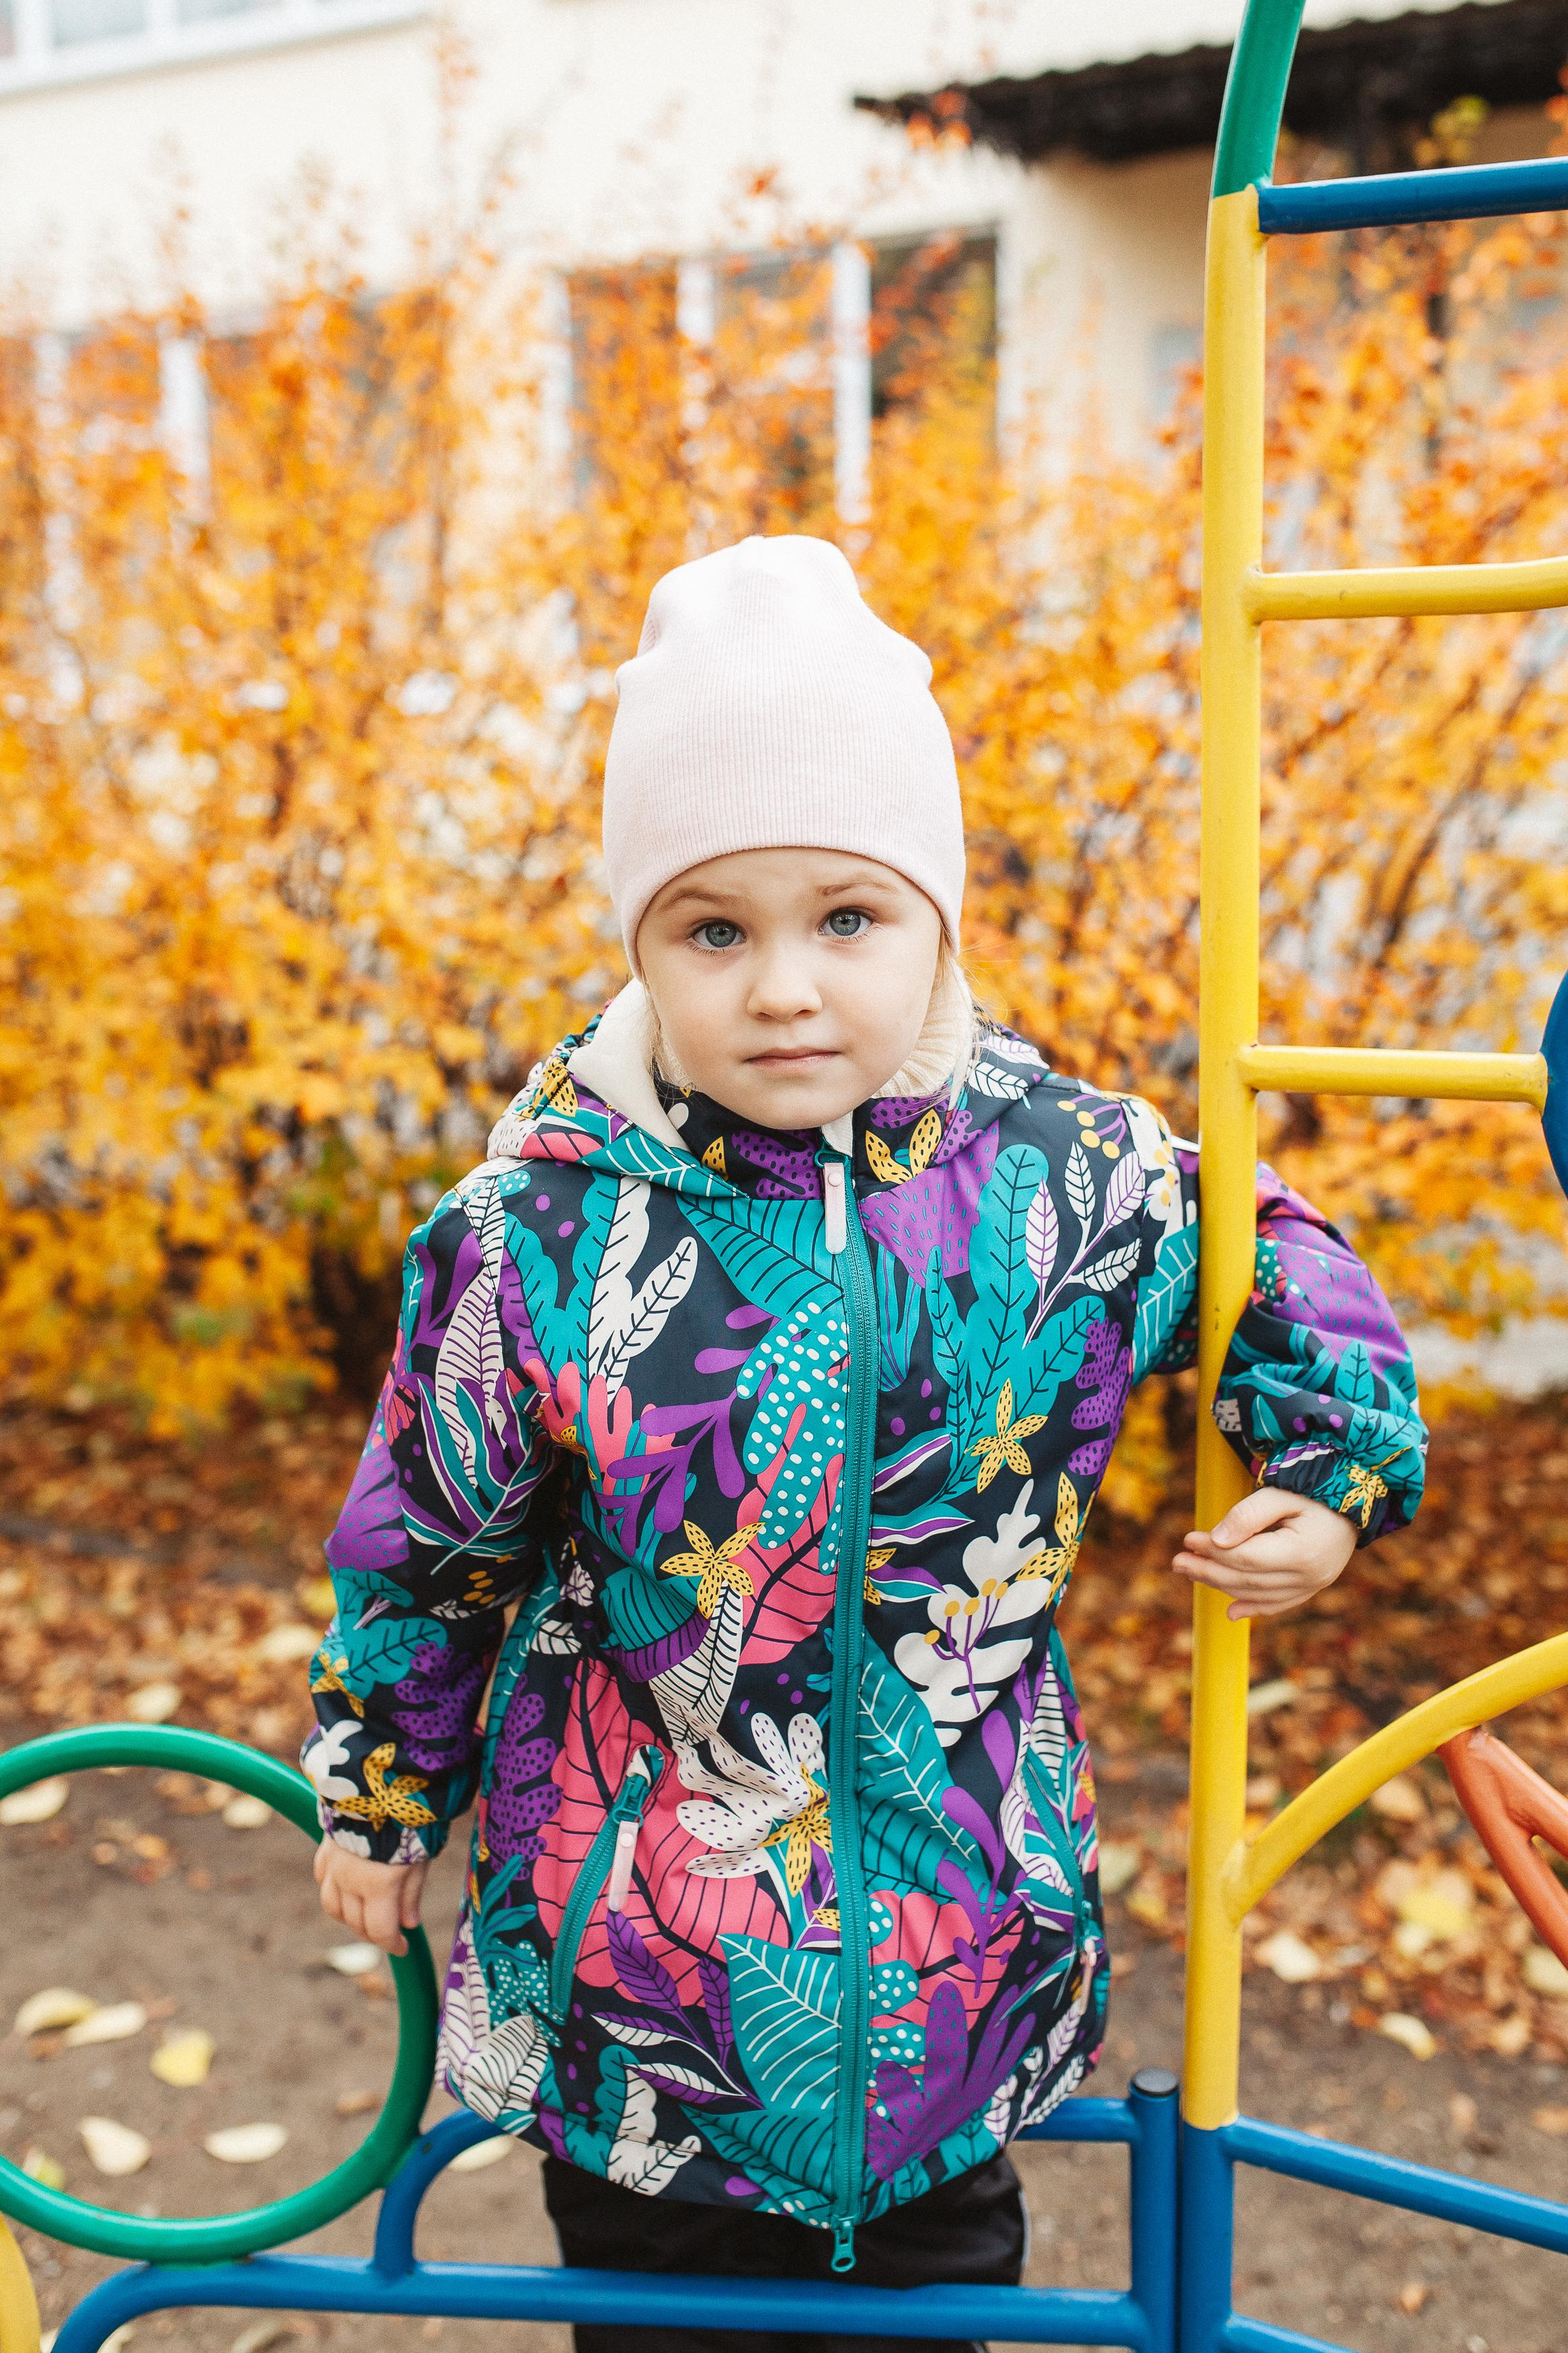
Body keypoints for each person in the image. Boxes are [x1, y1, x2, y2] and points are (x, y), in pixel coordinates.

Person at [303, 536, 1427, 2353]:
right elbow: (434, 1528)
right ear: (643, 943)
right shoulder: (550, 1224)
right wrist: (380, 1774)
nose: (783, 987)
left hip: (951, 1975)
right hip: (645, 2004)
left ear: (938, 920)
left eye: (848, 916)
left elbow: (1276, 1261)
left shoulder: (1064, 1177)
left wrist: (1330, 1468)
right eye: (713, 929)